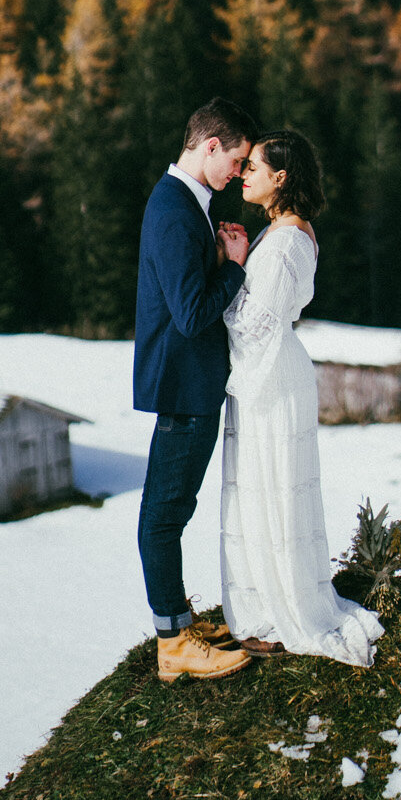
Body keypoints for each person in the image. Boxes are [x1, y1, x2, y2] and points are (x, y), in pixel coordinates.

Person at [220, 130, 383, 666]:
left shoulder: (287, 241)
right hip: (270, 375)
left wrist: (231, 267)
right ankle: (264, 601)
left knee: (272, 491)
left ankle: (285, 605)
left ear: (281, 178)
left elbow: (253, 326)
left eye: (255, 167)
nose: (245, 173)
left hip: (270, 377)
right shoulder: (283, 233)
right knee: (263, 490)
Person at [133, 97, 255, 682]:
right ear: (210, 146)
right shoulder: (175, 207)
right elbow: (189, 313)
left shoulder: (186, 202)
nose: (238, 173)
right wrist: (233, 265)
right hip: (184, 386)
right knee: (163, 516)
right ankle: (172, 644)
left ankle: (178, 622)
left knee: (172, 510)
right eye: (235, 160)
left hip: (191, 383)